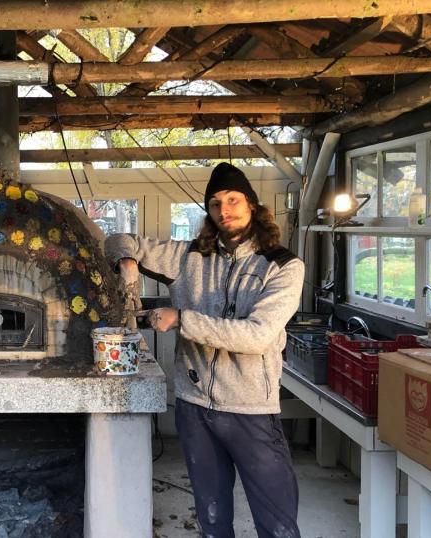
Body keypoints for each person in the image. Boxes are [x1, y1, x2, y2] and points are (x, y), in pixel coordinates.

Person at [105, 162, 305, 538]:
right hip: (194, 407)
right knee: (212, 519)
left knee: (277, 523)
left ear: (252, 204)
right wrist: (127, 262)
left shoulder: (282, 266)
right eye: (214, 203)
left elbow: (256, 336)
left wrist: (182, 318)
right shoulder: (189, 257)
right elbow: (118, 238)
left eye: (233, 200)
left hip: (250, 410)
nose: (224, 210)